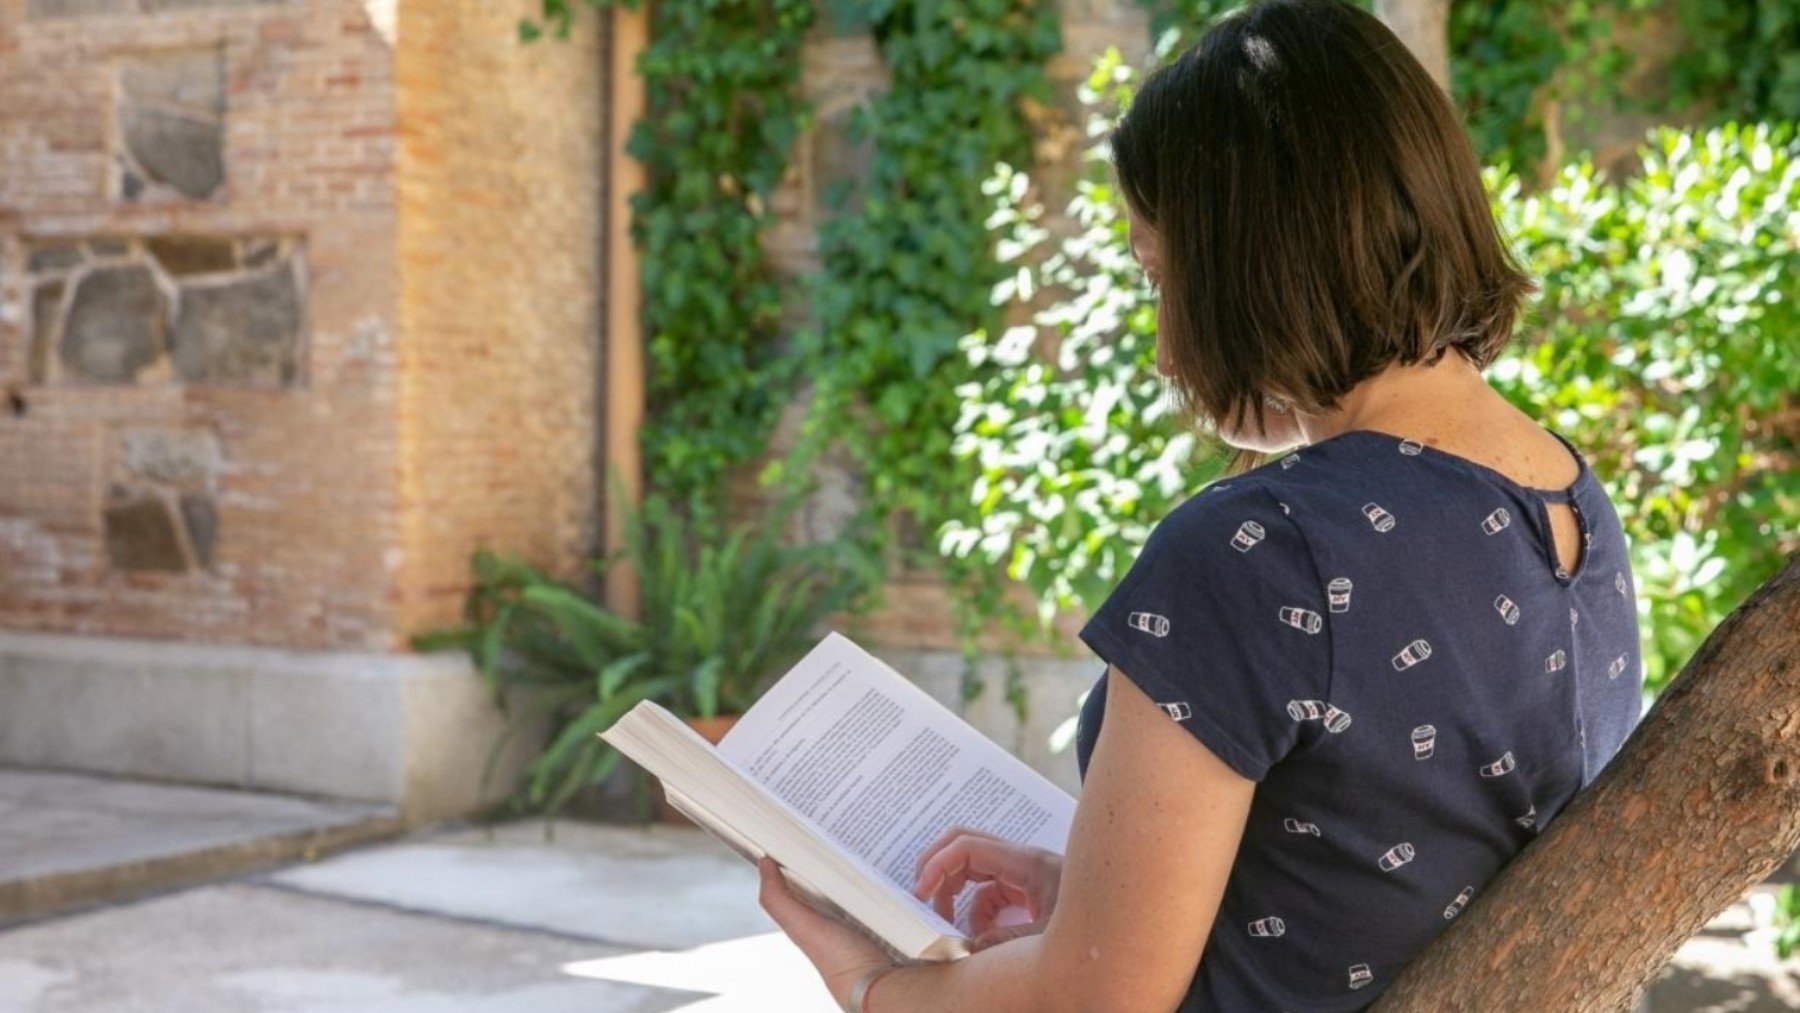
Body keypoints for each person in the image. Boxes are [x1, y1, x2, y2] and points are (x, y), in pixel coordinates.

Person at [755, 0, 1646, 1009]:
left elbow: (1093, 1004)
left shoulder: (1259, 548)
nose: (1163, 344)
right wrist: (1084, 898)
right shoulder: (1572, 498)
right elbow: (1381, 877)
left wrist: (872, 980)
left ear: (1252, 261)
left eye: (1161, 276)